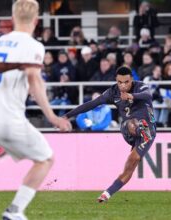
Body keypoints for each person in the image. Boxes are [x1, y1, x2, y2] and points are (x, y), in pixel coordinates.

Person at [0, 1, 72, 220]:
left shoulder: (0, 42)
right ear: (36, 21)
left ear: (12, 19)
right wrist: (51, 116)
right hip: (8, 120)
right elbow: (34, 80)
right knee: (46, 160)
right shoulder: (34, 46)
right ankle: (14, 211)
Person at [64, 66, 156, 203]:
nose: (123, 85)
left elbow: (148, 96)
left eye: (126, 82)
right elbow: (91, 104)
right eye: (120, 82)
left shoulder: (141, 87)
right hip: (129, 128)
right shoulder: (113, 92)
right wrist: (67, 115)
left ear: (131, 79)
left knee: (132, 162)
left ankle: (107, 193)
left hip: (149, 131)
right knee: (133, 123)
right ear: (116, 81)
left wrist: (131, 96)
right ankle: (138, 131)